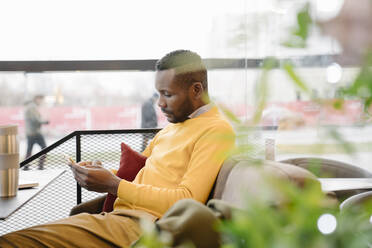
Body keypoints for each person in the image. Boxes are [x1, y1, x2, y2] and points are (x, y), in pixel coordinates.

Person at [0, 50, 235, 247]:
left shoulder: (215, 130)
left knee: (13, 242)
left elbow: (187, 200)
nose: (160, 103)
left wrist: (113, 184)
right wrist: (100, 173)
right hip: (119, 218)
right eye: (159, 94)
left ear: (196, 90)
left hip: (144, 226)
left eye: (168, 94)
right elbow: (137, 175)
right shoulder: (172, 128)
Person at [23, 94, 49, 170]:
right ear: (37, 98)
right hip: (35, 132)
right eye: (41, 99)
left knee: (29, 149)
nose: (41, 102)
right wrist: (44, 122)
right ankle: (40, 166)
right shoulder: (32, 107)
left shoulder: (30, 106)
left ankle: (26, 166)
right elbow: (35, 119)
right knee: (44, 148)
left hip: (30, 132)